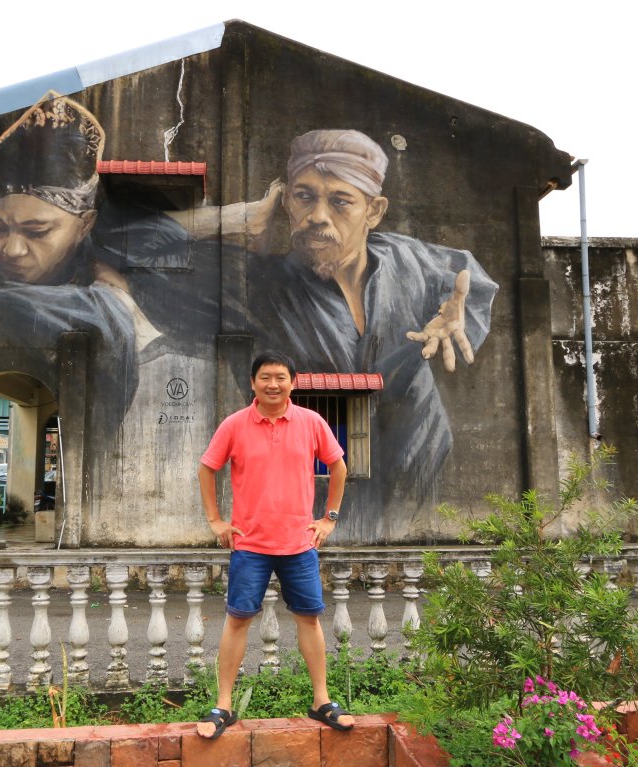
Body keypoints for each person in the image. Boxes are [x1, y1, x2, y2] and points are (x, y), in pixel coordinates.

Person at [247, 130, 499, 538]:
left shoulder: (408, 259)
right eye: (304, 196)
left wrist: (454, 315)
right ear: (286, 201)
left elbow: (466, 280)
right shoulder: (260, 284)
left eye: (340, 201)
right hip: (312, 498)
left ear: (374, 210)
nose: (318, 217)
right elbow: (138, 247)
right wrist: (244, 218)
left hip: (414, 472)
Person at [195, 350, 352, 739]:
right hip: (250, 544)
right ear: (253, 383)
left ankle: (321, 701)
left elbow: (338, 466)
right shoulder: (234, 425)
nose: (273, 384)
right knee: (238, 619)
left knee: (309, 618)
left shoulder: (311, 422)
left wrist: (328, 519)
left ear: (292, 382)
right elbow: (206, 468)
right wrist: (216, 521)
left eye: (280, 377)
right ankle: (224, 705)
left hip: (299, 543)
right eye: (265, 377)